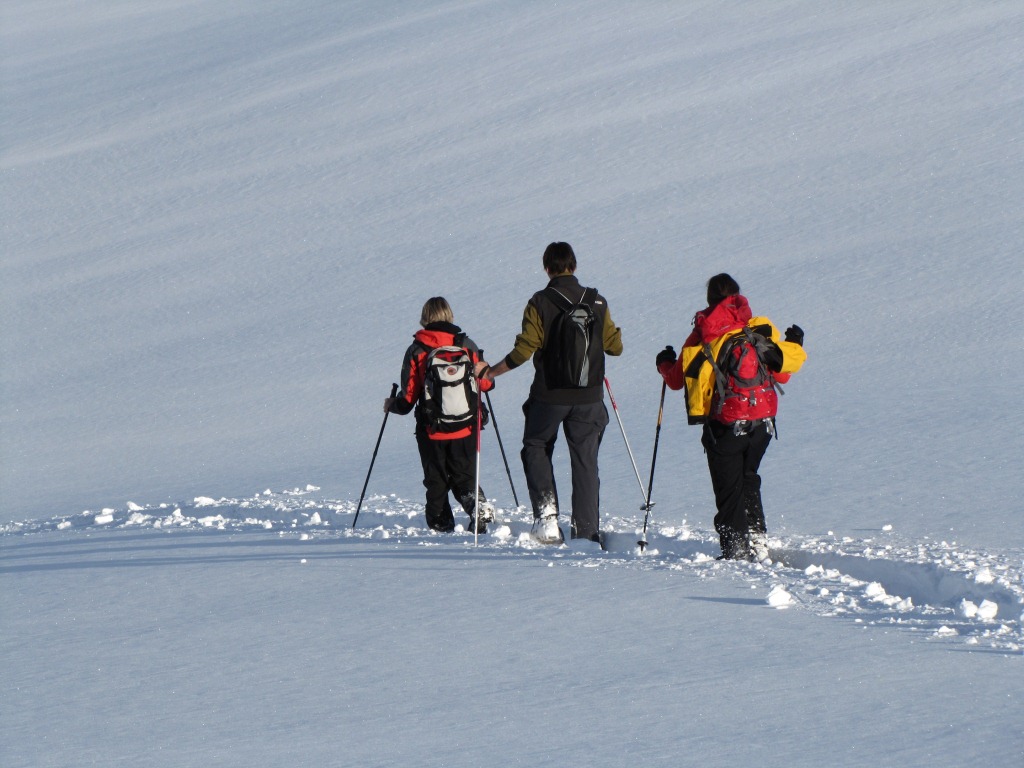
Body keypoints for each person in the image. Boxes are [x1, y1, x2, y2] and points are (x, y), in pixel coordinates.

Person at [477, 242, 623, 545]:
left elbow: (523, 351)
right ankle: (586, 533)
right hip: (590, 396)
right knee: (585, 461)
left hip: (549, 395)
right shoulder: (597, 302)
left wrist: (490, 372)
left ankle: (547, 520)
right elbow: (615, 347)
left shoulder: (540, 302)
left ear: (547, 268)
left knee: (536, 446)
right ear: (574, 266)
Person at [656, 273, 806, 561]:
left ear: (709, 300)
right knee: (748, 477)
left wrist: (664, 362)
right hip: (763, 424)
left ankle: (735, 549)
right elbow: (783, 375)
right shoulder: (758, 328)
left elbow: (676, 380)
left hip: (726, 427)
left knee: (728, 490)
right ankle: (757, 540)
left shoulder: (705, 334)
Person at [385, 297, 495, 533]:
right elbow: (486, 384)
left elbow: (407, 400)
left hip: (432, 429)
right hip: (467, 426)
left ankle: (441, 525)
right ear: (449, 314)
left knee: (436, 480)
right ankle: (478, 507)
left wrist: (391, 405)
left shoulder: (417, 349)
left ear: (425, 317)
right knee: (465, 476)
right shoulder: (467, 345)